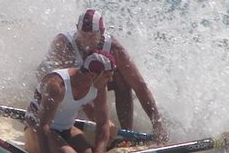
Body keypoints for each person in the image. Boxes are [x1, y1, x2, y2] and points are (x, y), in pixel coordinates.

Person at [24, 49, 156, 153]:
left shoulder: (98, 86)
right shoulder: (57, 85)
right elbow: (43, 127)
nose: (111, 80)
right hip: (38, 130)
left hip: (66, 128)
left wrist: (100, 151)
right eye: (108, 76)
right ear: (95, 74)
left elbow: (102, 124)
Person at [39, 8, 168, 143]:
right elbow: (68, 86)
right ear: (77, 28)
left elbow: (140, 86)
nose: (86, 41)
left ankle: (126, 137)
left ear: (102, 32)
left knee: (122, 79)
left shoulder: (114, 48)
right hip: (53, 87)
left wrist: (157, 124)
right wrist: (102, 121)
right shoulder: (64, 45)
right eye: (83, 34)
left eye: (92, 36)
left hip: (85, 84)